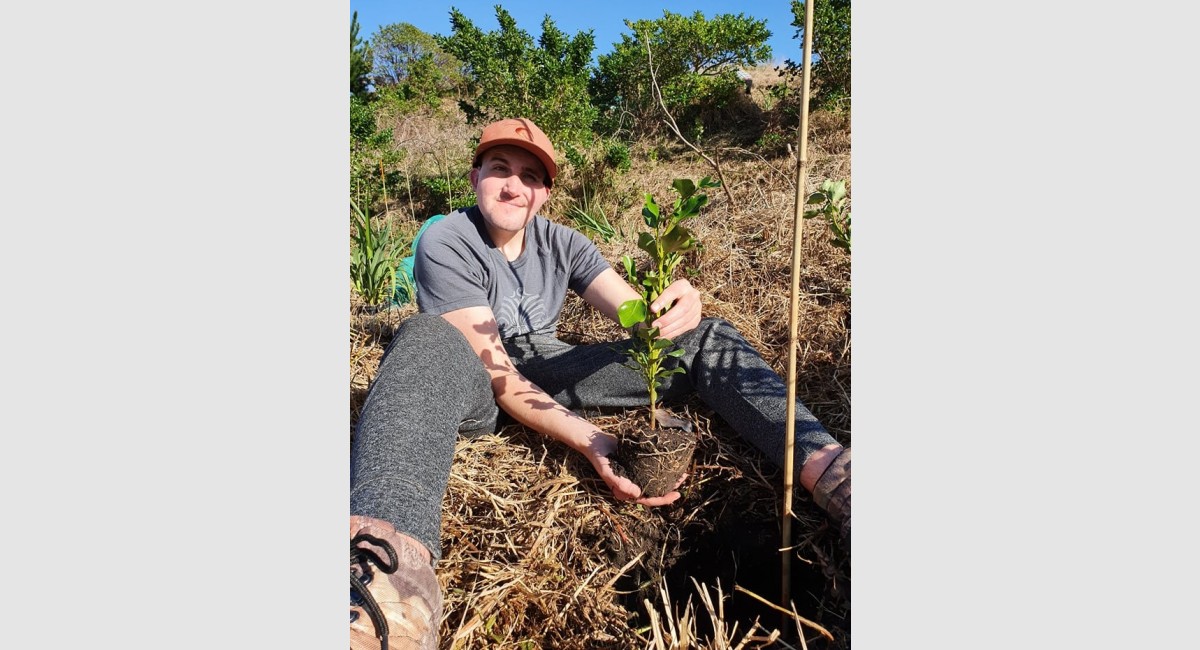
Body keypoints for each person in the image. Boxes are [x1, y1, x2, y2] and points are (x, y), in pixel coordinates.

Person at [349, 117, 851, 649]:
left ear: (544, 192)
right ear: (475, 176)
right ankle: (385, 585)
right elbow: (498, 373)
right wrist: (590, 440)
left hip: (554, 367)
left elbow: (635, 313)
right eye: (500, 169)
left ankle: (834, 475)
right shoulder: (448, 239)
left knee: (709, 337)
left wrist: (672, 311)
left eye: (530, 176)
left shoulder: (564, 242)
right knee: (424, 337)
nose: (513, 186)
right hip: (474, 376)